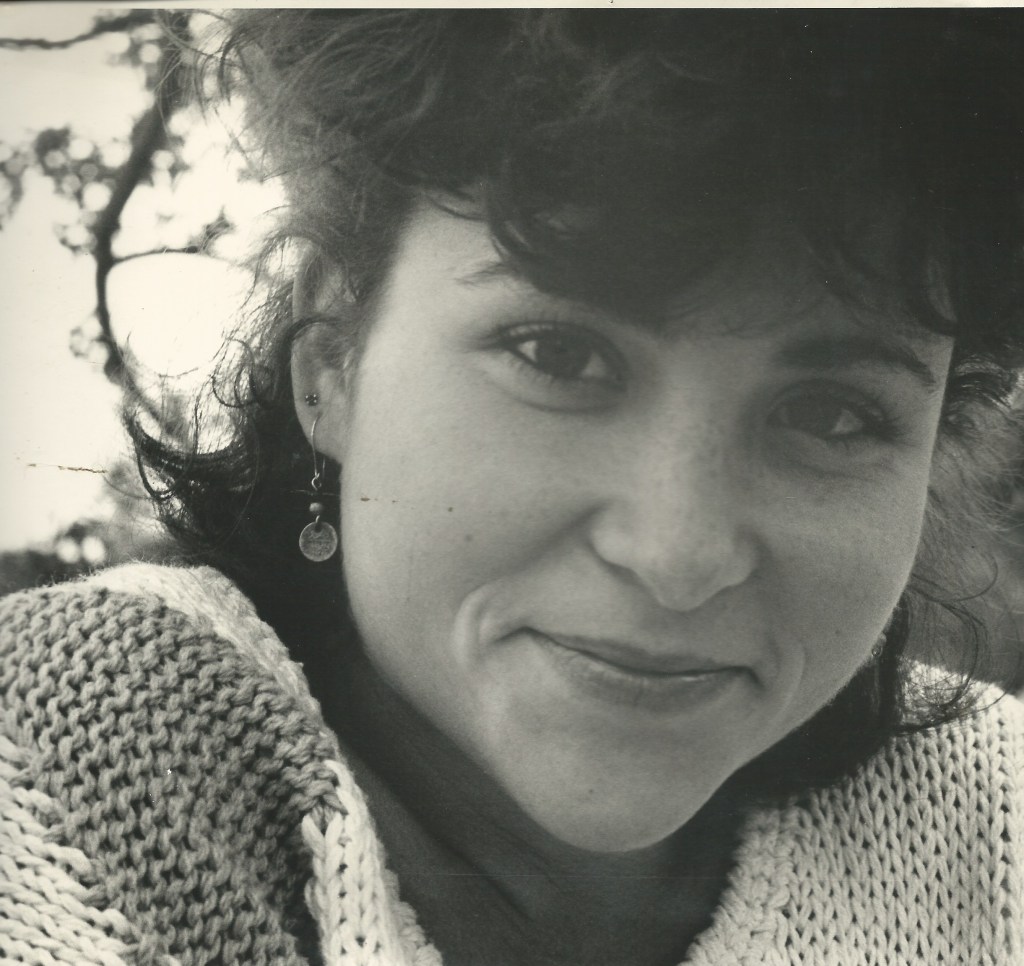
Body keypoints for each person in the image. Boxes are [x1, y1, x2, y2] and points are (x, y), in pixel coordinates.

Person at [2, 9, 1023, 965]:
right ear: (331, 360)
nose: (677, 557)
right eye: (559, 355)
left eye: (833, 416)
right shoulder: (54, 779)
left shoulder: (994, 824)